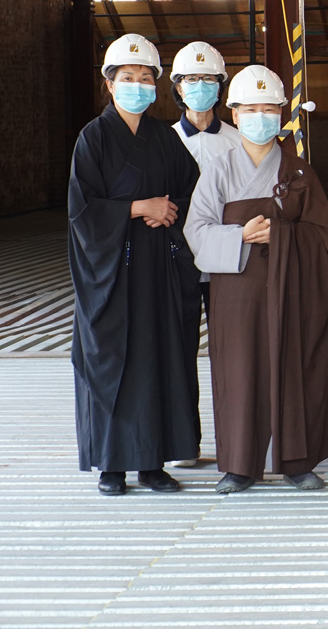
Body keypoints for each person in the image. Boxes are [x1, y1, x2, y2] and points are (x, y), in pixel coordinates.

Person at [185, 65, 328, 493]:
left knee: (294, 366)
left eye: (269, 109)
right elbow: (196, 230)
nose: (260, 117)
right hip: (237, 292)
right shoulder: (218, 170)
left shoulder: (299, 172)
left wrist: (284, 235)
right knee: (239, 371)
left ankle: (297, 460)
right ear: (235, 115)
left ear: (281, 115)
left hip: (290, 289)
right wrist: (239, 235)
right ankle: (239, 464)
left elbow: (325, 238)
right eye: (250, 110)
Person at [68, 33, 201, 496]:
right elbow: (82, 211)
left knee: (158, 360)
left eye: (146, 79)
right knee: (110, 363)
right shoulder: (93, 137)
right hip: (110, 274)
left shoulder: (164, 138)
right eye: (128, 78)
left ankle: (153, 462)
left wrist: (169, 211)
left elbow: (193, 191)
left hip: (158, 269)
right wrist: (138, 207)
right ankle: (111, 465)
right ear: (109, 84)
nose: (137, 86)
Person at [167, 40, 244, 468]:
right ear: (177, 87)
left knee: (231, 352)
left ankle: (235, 442)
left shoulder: (237, 142)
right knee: (178, 353)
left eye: (208, 79)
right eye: (191, 79)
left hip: (226, 263)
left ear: (221, 86)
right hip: (176, 263)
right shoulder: (164, 140)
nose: (199, 86)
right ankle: (184, 443)